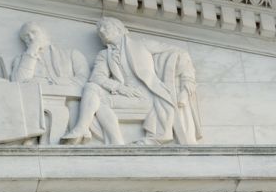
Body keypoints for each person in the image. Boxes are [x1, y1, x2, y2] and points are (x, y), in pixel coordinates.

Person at [61, 17, 201, 145]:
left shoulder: (143, 45)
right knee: (91, 88)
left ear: (119, 29)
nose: (102, 31)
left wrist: (187, 83)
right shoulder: (104, 55)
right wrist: (121, 88)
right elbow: (97, 77)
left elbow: (181, 53)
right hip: (124, 95)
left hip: (149, 96)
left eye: (106, 27)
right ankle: (85, 129)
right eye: (99, 30)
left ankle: (96, 134)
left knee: (97, 100)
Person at [10, 21, 90, 86]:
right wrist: (31, 52)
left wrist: (50, 82)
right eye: (26, 37)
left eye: (34, 32)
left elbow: (84, 80)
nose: (31, 37)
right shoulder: (20, 60)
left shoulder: (72, 55)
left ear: (44, 33)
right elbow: (18, 84)